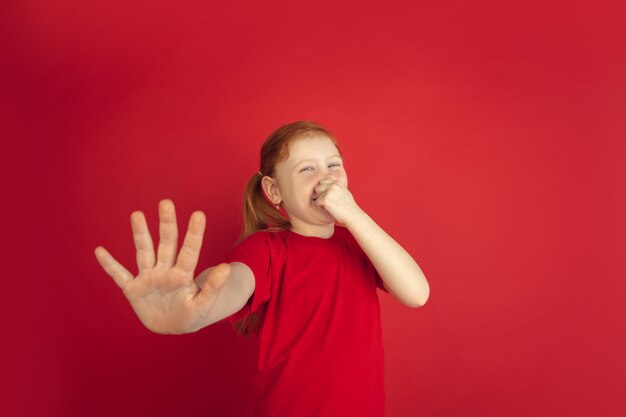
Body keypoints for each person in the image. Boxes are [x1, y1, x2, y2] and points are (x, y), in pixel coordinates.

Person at [94, 120, 430, 417]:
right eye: (307, 169)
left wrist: (355, 216)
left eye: (333, 165)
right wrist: (193, 309)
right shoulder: (269, 250)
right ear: (274, 191)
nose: (326, 176)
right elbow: (233, 283)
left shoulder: (360, 241)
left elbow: (416, 294)